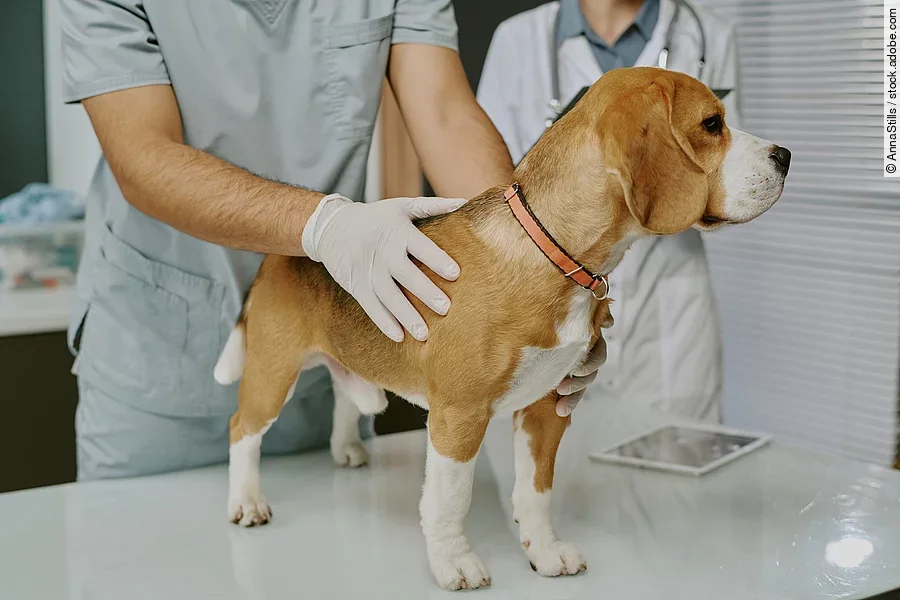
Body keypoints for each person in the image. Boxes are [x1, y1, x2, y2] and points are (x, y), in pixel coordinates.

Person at [60, 0, 603, 480]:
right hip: (157, 368)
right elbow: (143, 158)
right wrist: (325, 224)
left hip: (330, 354)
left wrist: (536, 277)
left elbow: (444, 117)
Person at [478, 0, 742, 421]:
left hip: (668, 311)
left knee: (675, 477)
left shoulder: (708, 36)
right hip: (548, 305)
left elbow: (727, 180)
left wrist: (663, 178)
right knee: (548, 472)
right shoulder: (517, 41)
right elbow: (489, 190)